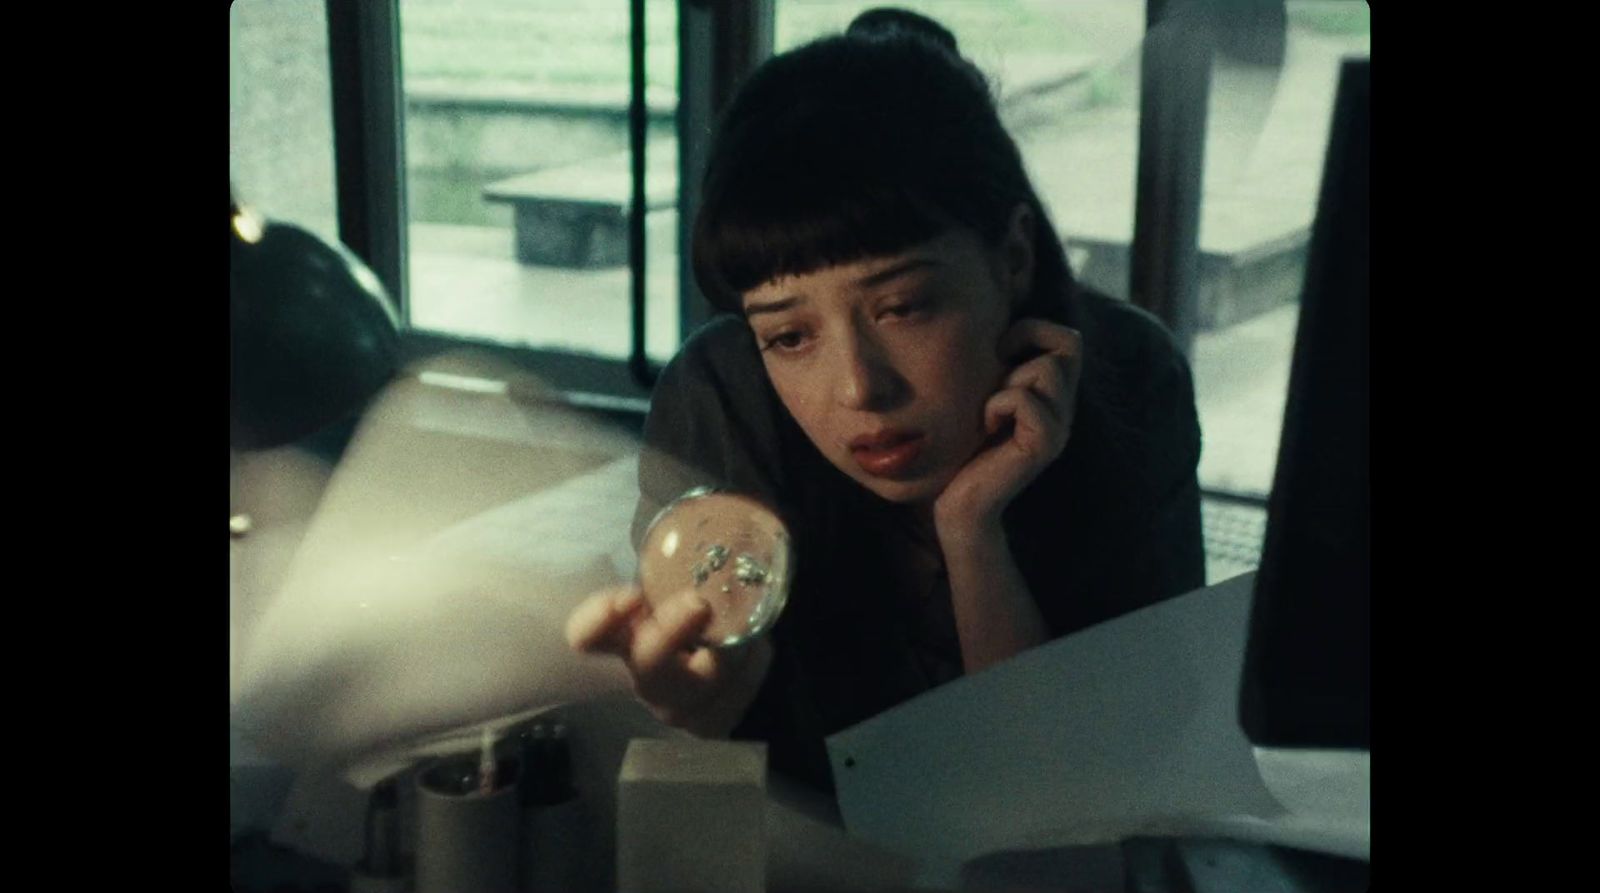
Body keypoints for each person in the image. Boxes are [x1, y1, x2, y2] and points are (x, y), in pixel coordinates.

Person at [567, 8, 1205, 794]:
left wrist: (974, 533)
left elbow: (1081, 792)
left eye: (903, 307)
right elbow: (702, 729)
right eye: (789, 336)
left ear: (1012, 255)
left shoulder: (1132, 374)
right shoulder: (723, 398)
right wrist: (689, 701)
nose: (860, 388)